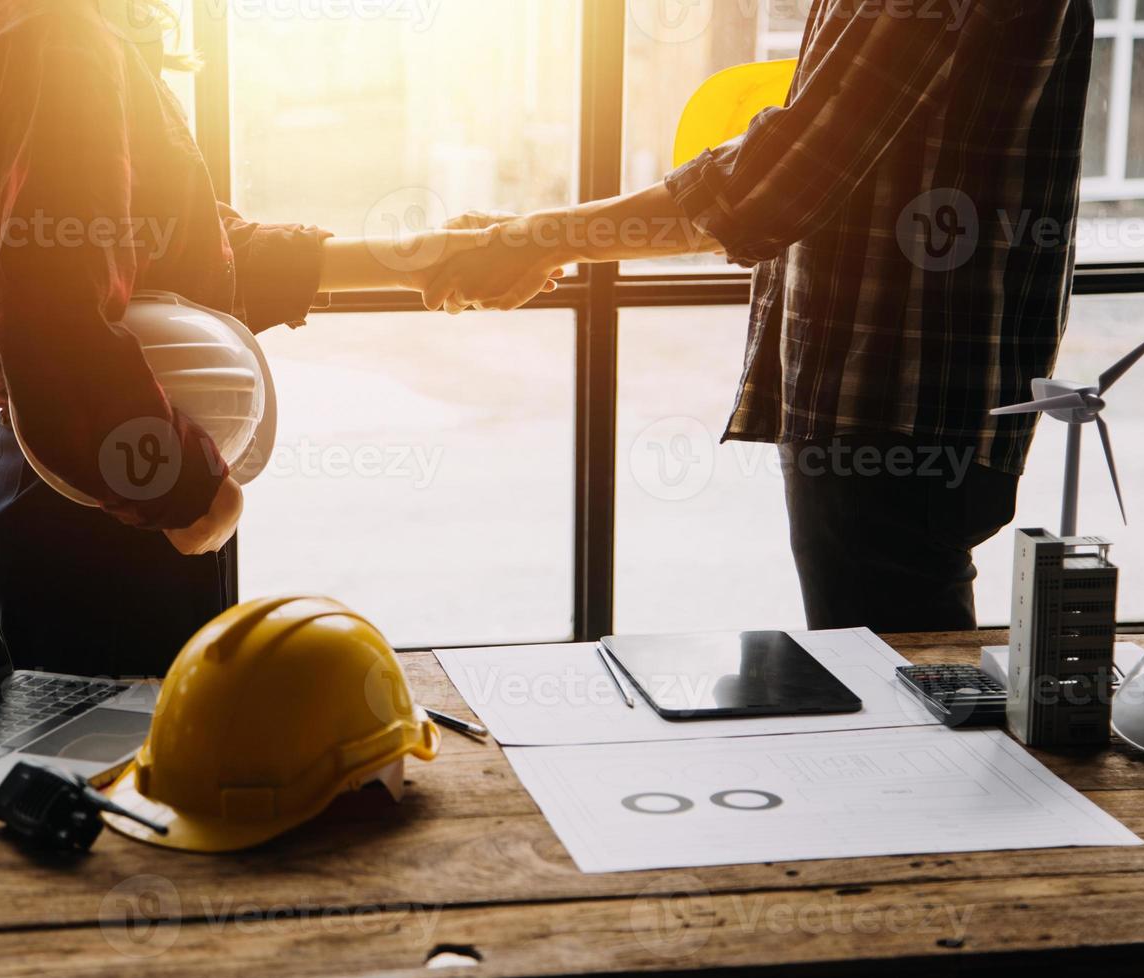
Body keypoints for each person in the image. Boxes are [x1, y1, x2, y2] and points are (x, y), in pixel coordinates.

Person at [434, 0, 1095, 634]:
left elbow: (779, 179)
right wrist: (533, 233)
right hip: (896, 398)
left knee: (900, 696)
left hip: (894, 400)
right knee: (897, 674)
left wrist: (541, 236)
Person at [0, 0, 540, 677]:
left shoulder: (68, 27)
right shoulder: (59, 31)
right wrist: (185, 490)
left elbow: (186, 252)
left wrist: (424, 257)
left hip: (101, 493)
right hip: (100, 510)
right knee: (122, 774)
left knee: (132, 765)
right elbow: (49, 307)